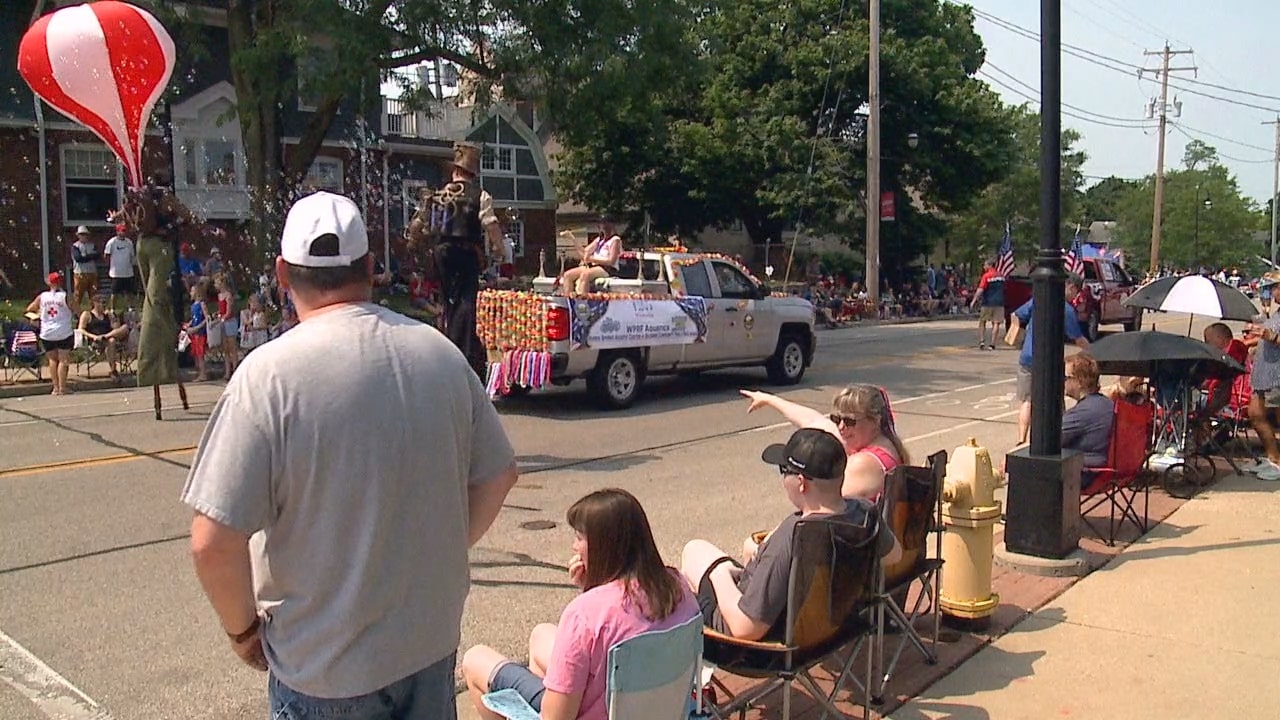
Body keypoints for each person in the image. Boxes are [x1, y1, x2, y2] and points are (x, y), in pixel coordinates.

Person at [182, 191, 519, 718]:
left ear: (282, 273)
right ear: (369, 267)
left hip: (324, 669)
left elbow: (212, 543)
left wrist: (243, 633)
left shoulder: (267, 377)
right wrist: (437, 550)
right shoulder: (441, 355)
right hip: (427, 648)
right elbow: (499, 475)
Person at [461, 489, 699, 720]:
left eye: (579, 537)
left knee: (475, 659)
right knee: (541, 635)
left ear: (603, 545)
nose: (574, 546)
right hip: (656, 708)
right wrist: (592, 589)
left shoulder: (583, 614)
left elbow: (555, 718)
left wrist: (589, 596)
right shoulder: (679, 586)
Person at [679, 429, 901, 642]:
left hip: (767, 641)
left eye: (784, 470)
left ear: (802, 483)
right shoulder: (863, 512)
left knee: (694, 551)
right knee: (715, 554)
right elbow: (894, 555)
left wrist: (718, 574)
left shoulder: (796, 534)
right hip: (831, 625)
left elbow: (746, 629)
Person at [406, 142, 506, 376]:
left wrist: (415, 247)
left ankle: (449, 344)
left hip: (441, 253)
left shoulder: (436, 195)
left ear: (455, 170)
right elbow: (491, 225)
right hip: (466, 252)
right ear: (473, 172)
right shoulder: (479, 195)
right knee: (466, 302)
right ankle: (463, 354)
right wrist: (499, 249)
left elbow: (416, 227)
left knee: (447, 301)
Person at [739, 385, 910, 500]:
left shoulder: (864, 462)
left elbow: (826, 510)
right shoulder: (881, 442)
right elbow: (813, 420)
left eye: (850, 421)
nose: (841, 427)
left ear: (875, 421)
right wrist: (769, 400)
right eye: (836, 419)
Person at [1012, 281, 1091, 445]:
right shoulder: (1066, 309)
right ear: (1070, 287)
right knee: (1056, 398)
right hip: (1050, 360)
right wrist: (1095, 352)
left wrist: (1017, 333)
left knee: (1028, 400)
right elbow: (1078, 338)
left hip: (1027, 357)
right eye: (1075, 292)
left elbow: (1016, 315)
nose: (1075, 296)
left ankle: (1021, 439)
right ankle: (1060, 435)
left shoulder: (1038, 300)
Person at [1241, 313, 1280, 480]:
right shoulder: (1277, 314)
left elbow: (1273, 337)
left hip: (1277, 376)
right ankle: (1274, 458)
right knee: (1255, 415)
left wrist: (1272, 337)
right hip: (1264, 377)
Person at [26, 272, 76, 395]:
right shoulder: (65, 296)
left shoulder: (42, 297)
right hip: (63, 331)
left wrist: (39, 314)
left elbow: (29, 309)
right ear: (60, 282)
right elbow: (76, 309)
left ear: (49, 283)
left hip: (47, 333)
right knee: (63, 360)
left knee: (52, 360)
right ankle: (63, 387)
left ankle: (55, 387)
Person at [1062, 353, 1114, 469]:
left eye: (1066, 377)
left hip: (1083, 471)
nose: (1063, 381)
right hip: (1102, 466)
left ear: (1080, 382)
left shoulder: (1082, 413)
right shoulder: (1108, 404)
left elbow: (1049, 441)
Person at [560, 220, 623, 296]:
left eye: (605, 225)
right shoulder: (599, 240)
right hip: (594, 266)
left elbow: (611, 261)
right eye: (602, 226)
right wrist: (572, 238)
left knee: (585, 274)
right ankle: (568, 299)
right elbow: (584, 252)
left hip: (607, 268)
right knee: (567, 275)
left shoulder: (615, 240)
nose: (603, 228)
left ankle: (582, 300)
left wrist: (591, 259)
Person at [1201, 322, 1250, 419]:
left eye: (1208, 340)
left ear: (1220, 339)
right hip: (1239, 399)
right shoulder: (1239, 350)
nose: (1207, 344)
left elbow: (1214, 383)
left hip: (1235, 403)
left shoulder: (1228, 358)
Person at [78, 296, 129, 380]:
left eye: (105, 303)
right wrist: (93, 336)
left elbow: (116, 328)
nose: (104, 305)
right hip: (96, 341)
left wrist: (112, 317)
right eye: (102, 302)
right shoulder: (87, 314)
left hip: (108, 337)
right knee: (111, 341)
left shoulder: (107, 315)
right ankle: (113, 370)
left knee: (124, 328)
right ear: (95, 303)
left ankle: (105, 336)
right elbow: (81, 329)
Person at [969, 258, 1006, 350]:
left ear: (990, 265)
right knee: (996, 323)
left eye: (985, 265)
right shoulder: (1001, 276)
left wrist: (974, 300)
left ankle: (982, 341)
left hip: (987, 302)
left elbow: (980, 289)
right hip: (999, 302)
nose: (984, 267)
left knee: (982, 321)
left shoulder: (986, 276)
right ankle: (992, 344)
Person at [103, 223, 137, 314]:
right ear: (117, 231)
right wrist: (110, 266)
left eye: (124, 231)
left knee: (129, 292)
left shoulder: (129, 242)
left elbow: (132, 256)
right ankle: (112, 309)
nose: (123, 233)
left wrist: (133, 265)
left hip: (128, 272)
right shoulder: (112, 242)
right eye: (121, 231)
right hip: (116, 273)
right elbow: (106, 255)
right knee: (114, 293)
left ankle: (130, 308)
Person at [214, 274, 239, 380]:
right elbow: (221, 310)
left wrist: (222, 318)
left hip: (230, 322)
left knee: (232, 347)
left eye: (217, 283)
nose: (215, 285)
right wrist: (217, 314)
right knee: (226, 349)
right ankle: (227, 371)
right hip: (223, 322)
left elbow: (229, 312)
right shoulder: (219, 296)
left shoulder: (228, 295)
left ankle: (235, 369)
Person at [71, 225, 100, 308]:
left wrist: (86, 257)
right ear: (78, 235)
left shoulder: (92, 245)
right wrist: (90, 256)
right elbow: (78, 258)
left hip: (92, 272)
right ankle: (76, 312)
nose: (84, 236)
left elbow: (97, 255)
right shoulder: (75, 246)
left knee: (93, 293)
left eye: (85, 234)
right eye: (81, 234)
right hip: (80, 273)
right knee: (78, 294)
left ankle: (95, 310)